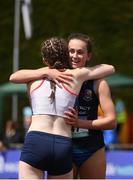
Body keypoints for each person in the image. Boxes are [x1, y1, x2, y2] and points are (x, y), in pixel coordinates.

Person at [10, 34, 116, 179]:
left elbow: (14, 77)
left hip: (89, 147)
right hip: (65, 144)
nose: (74, 56)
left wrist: (79, 122)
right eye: (71, 51)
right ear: (65, 54)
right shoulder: (73, 75)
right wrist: (48, 72)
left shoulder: (92, 80)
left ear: (88, 55)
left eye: (80, 52)